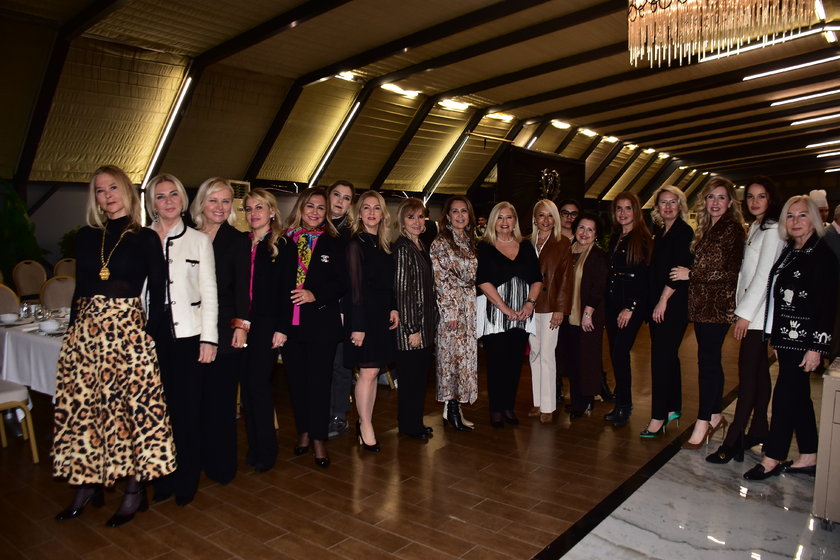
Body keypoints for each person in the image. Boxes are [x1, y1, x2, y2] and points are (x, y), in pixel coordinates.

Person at [53, 165, 175, 528]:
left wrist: (150, 333)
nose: (107, 196)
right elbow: (80, 288)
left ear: (126, 191)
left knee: (131, 412)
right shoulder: (86, 236)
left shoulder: (145, 237)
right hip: (87, 333)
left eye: (113, 188)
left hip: (127, 332)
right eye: (100, 190)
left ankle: (134, 490)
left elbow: (159, 290)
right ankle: (86, 484)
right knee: (86, 411)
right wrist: (72, 333)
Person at [744, 195, 838, 480]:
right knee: (799, 396)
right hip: (786, 337)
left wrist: (816, 348)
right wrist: (775, 334)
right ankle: (809, 455)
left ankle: (772, 456)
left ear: (814, 219)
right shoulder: (792, 249)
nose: (795, 221)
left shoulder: (821, 254)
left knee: (785, 396)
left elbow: (827, 305)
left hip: (805, 340)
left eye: (802, 215)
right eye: (790, 216)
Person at [146, 174, 218, 507]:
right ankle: (161, 478)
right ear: (152, 202)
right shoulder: (141, 239)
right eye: (161, 196)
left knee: (187, 411)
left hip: (188, 335)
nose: (168, 201)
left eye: (174, 194)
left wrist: (209, 339)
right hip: (150, 335)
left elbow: (209, 292)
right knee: (155, 410)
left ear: (183, 200)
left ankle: (186, 479)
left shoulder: (198, 240)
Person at [707, 177, 783, 463]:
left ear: (770, 199)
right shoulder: (756, 228)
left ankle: (734, 438)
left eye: (761, 196)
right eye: (750, 196)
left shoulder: (773, 231)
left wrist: (744, 315)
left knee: (748, 376)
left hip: (757, 316)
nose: (755, 201)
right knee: (759, 373)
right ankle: (759, 428)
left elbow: (764, 277)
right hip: (752, 313)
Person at [672, 177, 745, 449]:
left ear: (730, 202)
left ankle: (702, 423)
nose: (715, 202)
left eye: (721, 197)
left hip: (717, 307)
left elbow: (729, 272)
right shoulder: (707, 227)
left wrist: (691, 274)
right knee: (710, 361)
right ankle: (714, 416)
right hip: (702, 306)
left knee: (707, 364)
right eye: (711, 197)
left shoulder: (732, 229)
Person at [190, 177, 251, 484]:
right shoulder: (186, 236)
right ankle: (195, 459)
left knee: (222, 400)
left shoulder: (238, 240)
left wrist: (242, 326)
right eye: (213, 200)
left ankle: (221, 465)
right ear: (201, 203)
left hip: (225, 330)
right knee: (194, 400)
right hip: (189, 329)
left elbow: (243, 289)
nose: (219, 206)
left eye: (226, 201)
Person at [280, 188, 346, 468]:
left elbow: (343, 282)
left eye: (321, 207)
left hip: (321, 325)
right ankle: (304, 431)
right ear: (300, 208)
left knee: (319, 384)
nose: (315, 212)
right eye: (310, 206)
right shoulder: (284, 240)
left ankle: (319, 438)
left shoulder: (335, 242)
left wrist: (314, 294)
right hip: (290, 326)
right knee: (297, 383)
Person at [476, 202, 543, 428]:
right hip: (496, 316)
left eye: (509, 217)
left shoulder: (526, 246)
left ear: (515, 221)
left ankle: (508, 407)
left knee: (514, 364)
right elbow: (483, 281)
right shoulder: (484, 247)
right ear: (493, 222)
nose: (504, 222)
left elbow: (537, 279)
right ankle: (496, 409)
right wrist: (505, 309)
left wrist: (530, 304)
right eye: (500, 217)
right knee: (496, 364)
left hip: (522, 315)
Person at [345, 190, 399, 452]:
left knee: (374, 371)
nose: (371, 213)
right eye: (366, 208)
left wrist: (393, 308)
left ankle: (365, 422)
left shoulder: (385, 245)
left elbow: (389, 284)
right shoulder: (356, 244)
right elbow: (355, 290)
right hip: (363, 318)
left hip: (381, 316)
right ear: (359, 214)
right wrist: (357, 326)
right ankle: (365, 425)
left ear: (383, 214)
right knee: (367, 373)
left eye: (376, 208)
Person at [642, 186, 693, 437]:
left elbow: (678, 271)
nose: (668, 206)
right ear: (657, 208)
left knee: (660, 359)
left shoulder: (684, 231)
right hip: (659, 303)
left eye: (673, 202)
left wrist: (662, 300)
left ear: (680, 205)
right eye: (663, 202)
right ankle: (673, 407)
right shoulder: (661, 232)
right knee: (669, 356)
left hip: (672, 304)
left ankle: (658, 417)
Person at [242, 188, 287, 473]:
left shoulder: (281, 245)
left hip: (268, 325)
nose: (254, 213)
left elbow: (286, 290)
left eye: (259, 207)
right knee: (247, 388)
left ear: (271, 211)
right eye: (249, 208)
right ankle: (254, 446)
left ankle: (267, 450)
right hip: (241, 325)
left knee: (258, 386)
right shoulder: (241, 243)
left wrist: (281, 328)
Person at [604, 192, 652, 427]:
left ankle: (625, 405)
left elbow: (644, 279)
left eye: (628, 208)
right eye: (619, 208)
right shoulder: (616, 237)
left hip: (630, 307)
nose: (623, 213)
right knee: (616, 354)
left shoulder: (642, 239)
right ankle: (621, 402)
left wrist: (630, 307)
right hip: (612, 304)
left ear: (636, 212)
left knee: (620, 354)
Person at [430, 196, 479, 431]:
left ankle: (455, 408)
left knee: (464, 360)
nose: (460, 216)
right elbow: (440, 280)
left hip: (469, 307)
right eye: (455, 211)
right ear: (448, 216)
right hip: (451, 308)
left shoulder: (470, 241)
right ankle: (451, 409)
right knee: (450, 359)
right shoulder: (441, 243)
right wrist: (449, 312)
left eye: (464, 211)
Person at [393, 198, 439, 439]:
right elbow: (403, 292)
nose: (417, 222)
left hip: (425, 326)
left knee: (419, 380)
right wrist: (412, 329)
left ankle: (414, 422)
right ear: (402, 220)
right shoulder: (402, 248)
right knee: (411, 380)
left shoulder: (420, 244)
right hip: (411, 330)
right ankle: (409, 426)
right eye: (411, 217)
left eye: (421, 217)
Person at [558, 213, 608, 418]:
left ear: (596, 234)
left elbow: (599, 287)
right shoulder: (568, 250)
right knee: (572, 358)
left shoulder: (598, 255)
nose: (584, 233)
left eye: (590, 229)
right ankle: (578, 399)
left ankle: (585, 400)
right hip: (567, 314)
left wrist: (588, 313)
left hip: (587, 315)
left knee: (586, 359)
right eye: (581, 228)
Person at [527, 199, 572, 424]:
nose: (546, 220)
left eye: (550, 215)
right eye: (541, 215)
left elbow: (566, 278)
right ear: (535, 218)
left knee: (547, 354)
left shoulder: (562, 243)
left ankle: (548, 405)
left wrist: (560, 309)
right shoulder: (526, 242)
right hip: (529, 306)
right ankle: (537, 401)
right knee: (534, 354)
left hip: (550, 306)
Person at [325, 180, 355, 440]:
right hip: (315, 307)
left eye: (346, 198)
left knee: (340, 365)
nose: (340, 201)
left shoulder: (351, 235)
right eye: (336, 195)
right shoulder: (311, 226)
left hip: (342, 308)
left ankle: (338, 415)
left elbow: (352, 278)